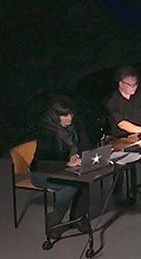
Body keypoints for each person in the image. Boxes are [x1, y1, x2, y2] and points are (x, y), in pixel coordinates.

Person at [30, 96, 93, 239]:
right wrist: (66, 163)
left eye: (71, 113)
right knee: (71, 185)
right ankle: (55, 220)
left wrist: (78, 155)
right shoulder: (47, 132)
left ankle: (78, 218)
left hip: (64, 168)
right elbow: (42, 163)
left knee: (84, 180)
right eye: (65, 115)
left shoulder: (75, 125)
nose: (70, 117)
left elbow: (84, 143)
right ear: (56, 116)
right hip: (42, 173)